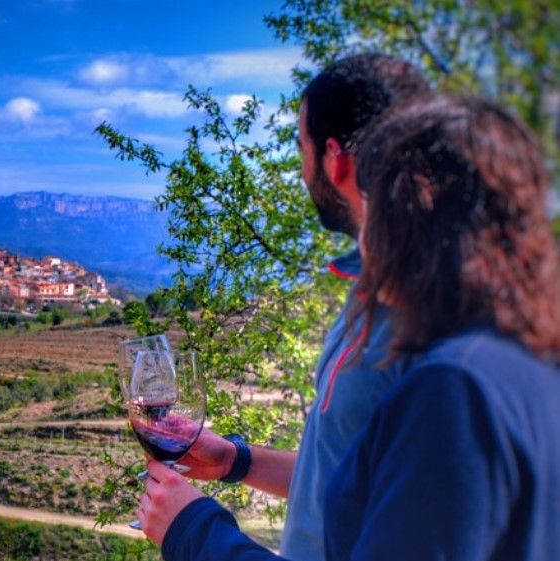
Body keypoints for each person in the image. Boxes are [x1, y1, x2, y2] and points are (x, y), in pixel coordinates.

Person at [138, 98, 560, 561]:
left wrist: (193, 530)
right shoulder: (527, 363)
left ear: (405, 219)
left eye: (372, 210)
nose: (364, 240)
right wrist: (236, 460)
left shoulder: (456, 390)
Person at [134, 53, 433, 561]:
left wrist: (194, 532)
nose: (301, 169)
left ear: (335, 158)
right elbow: (354, 476)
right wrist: (236, 460)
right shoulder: (380, 286)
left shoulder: (430, 316)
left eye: (302, 148)